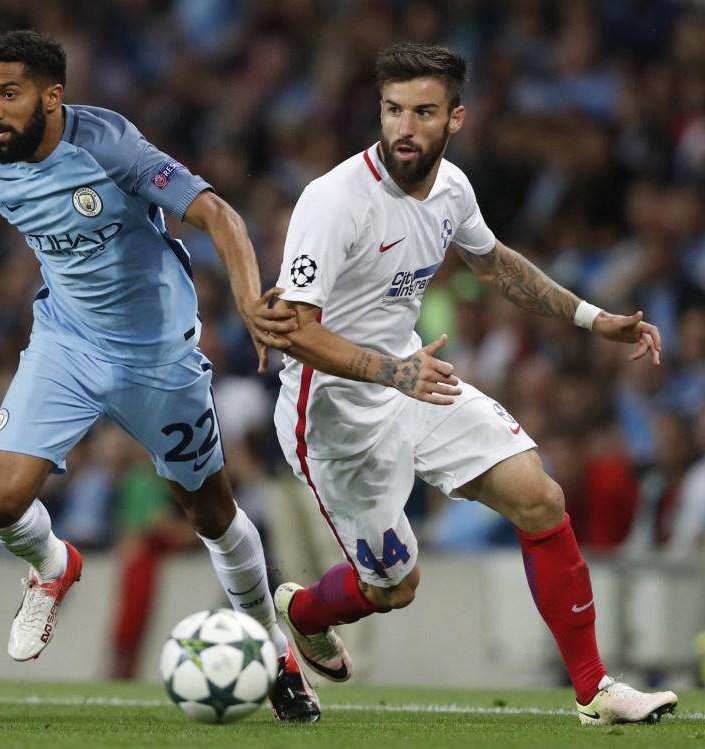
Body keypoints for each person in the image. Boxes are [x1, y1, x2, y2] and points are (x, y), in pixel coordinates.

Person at [0, 30, 317, 721]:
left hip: (158, 358)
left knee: (211, 512)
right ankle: (54, 565)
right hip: (67, 346)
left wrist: (245, 300)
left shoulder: (109, 146)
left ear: (53, 97)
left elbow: (219, 215)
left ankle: (275, 648)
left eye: (10, 94)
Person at [267, 42, 678, 726]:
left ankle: (594, 689)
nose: (404, 127)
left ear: (455, 118)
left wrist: (590, 315)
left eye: (423, 112)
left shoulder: (453, 190)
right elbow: (295, 332)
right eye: (392, 110)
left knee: (539, 495)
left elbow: (494, 265)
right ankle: (303, 610)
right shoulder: (332, 200)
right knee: (394, 587)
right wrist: (394, 370)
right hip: (333, 417)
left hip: (415, 378)